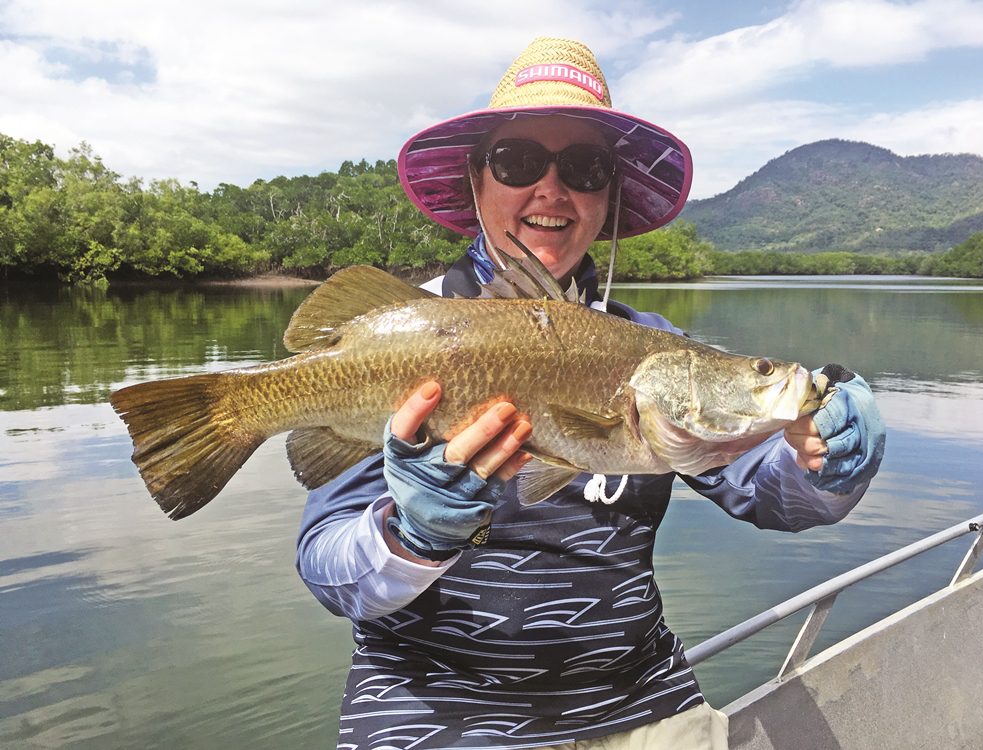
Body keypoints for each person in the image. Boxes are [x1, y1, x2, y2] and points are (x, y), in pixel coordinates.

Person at [296, 37, 885, 749]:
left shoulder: (657, 349)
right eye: (517, 162)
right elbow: (331, 574)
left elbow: (773, 496)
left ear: (607, 199)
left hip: (641, 702)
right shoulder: (399, 340)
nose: (552, 189)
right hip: (431, 716)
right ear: (476, 181)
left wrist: (825, 463)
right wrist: (407, 536)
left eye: (584, 167)